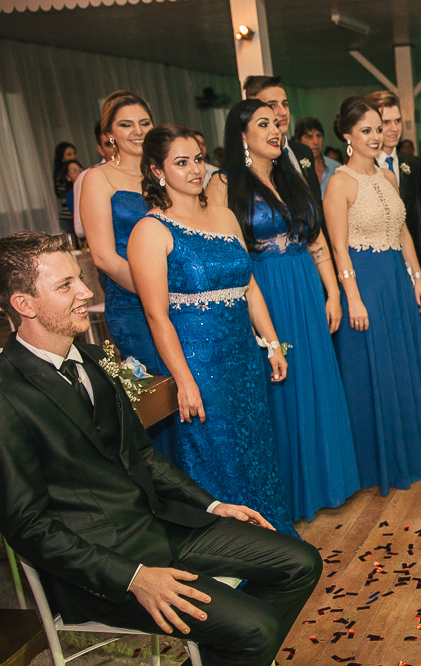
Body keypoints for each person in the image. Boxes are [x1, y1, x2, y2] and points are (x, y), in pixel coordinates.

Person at [0, 231, 322, 666]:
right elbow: (29, 529)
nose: (85, 291)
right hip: (103, 566)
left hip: (159, 524)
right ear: (23, 304)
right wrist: (133, 578)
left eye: (78, 277)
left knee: (300, 562)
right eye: (66, 284)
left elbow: (144, 460)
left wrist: (212, 505)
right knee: (255, 626)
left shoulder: (92, 361)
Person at [127, 123, 295, 537]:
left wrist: (272, 344)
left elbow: (250, 286)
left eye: (198, 159)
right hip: (201, 365)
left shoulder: (222, 215)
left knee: (256, 448)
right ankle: (235, 550)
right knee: (220, 455)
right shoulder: (150, 231)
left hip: (244, 357)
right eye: (181, 163)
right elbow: (156, 316)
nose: (195, 170)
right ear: (156, 170)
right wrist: (183, 381)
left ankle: (274, 539)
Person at [210, 101, 361, 521]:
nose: (276, 130)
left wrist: (333, 293)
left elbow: (315, 240)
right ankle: (290, 494)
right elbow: (229, 255)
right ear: (241, 135)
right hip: (264, 290)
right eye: (264, 124)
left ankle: (326, 482)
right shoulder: (223, 185)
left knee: (315, 379)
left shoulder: (289, 176)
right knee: (280, 390)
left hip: (306, 287)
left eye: (277, 123)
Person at [324, 97, 421, 493]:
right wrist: (353, 297)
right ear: (347, 136)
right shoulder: (339, 183)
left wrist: (416, 275)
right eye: (367, 130)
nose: (376, 137)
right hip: (364, 284)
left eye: (379, 129)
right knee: (372, 372)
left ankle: (413, 453)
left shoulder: (388, 177)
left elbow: (403, 230)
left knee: (403, 366)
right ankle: (377, 464)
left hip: (395, 281)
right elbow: (338, 248)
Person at [79, 91, 162, 371]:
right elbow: (103, 257)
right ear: (110, 133)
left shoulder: (163, 174)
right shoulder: (97, 178)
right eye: (126, 124)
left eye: (145, 122)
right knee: (157, 389)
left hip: (182, 298)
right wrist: (157, 291)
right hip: (132, 302)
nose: (138, 131)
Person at [364, 90, 421, 313]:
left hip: (410, 262)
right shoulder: (361, 167)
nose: (394, 128)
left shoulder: (412, 164)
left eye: (397, 121)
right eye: (386, 122)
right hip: (375, 267)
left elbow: (417, 223)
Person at [242, 76, 323, 210]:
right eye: (273, 105)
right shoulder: (252, 160)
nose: (283, 112)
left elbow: (316, 205)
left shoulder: (303, 151)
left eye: (285, 104)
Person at [73, 124, 111, 241]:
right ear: (100, 149)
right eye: (109, 144)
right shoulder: (88, 176)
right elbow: (80, 228)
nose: (116, 148)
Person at [294, 117, 340, 195]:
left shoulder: (336, 168)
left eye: (319, 136)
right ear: (298, 140)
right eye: (309, 136)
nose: (316, 142)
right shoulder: (294, 168)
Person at [53, 142, 78, 236]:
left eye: (74, 153)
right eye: (69, 154)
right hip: (68, 218)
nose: (73, 156)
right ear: (62, 158)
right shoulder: (61, 177)